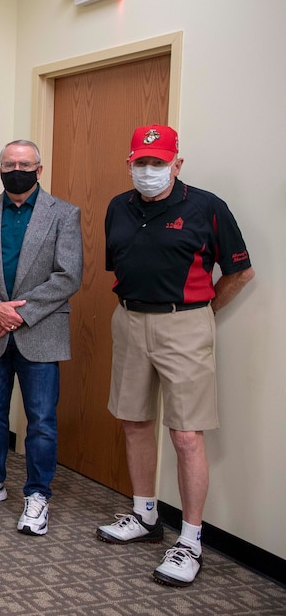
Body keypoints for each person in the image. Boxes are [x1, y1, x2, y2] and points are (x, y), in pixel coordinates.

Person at [94, 125, 254, 587]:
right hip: (128, 319)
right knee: (134, 420)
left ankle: (189, 540)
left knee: (186, 436)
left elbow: (240, 272)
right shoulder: (116, 208)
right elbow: (122, 264)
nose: (149, 171)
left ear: (177, 164)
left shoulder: (206, 207)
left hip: (184, 323)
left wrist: (203, 313)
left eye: (158, 162)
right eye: (141, 163)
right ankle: (144, 516)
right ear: (129, 164)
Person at [0, 140, 83, 536]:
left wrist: (16, 315)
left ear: (39, 169)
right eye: (9, 163)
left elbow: (68, 275)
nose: (16, 169)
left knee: (40, 420)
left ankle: (38, 493)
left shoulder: (64, 214)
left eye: (24, 163)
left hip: (40, 331)